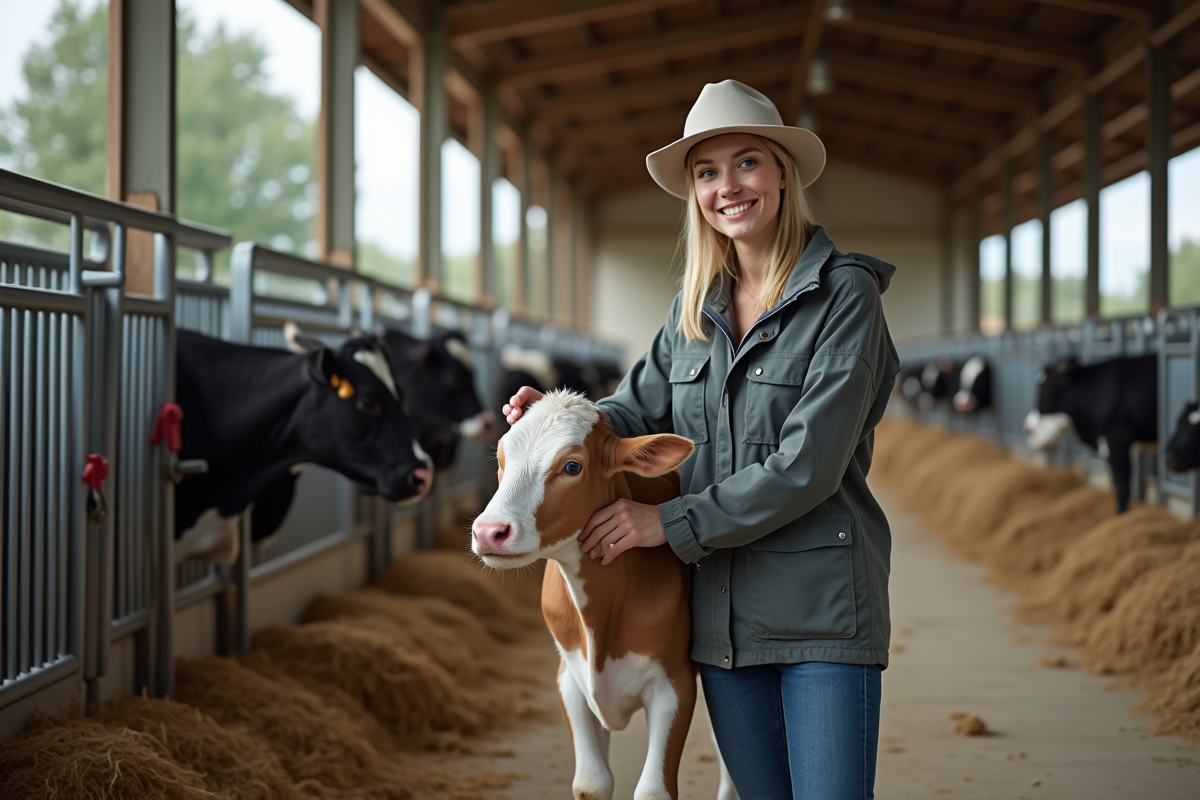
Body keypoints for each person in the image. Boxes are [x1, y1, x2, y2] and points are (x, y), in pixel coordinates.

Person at [503, 80, 899, 800]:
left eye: (747, 162)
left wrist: (666, 521)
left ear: (782, 172)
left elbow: (807, 466)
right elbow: (626, 412)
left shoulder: (845, 298)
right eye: (707, 172)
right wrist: (559, 420)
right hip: (718, 621)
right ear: (694, 193)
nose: (728, 187)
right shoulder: (695, 309)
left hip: (821, 616)